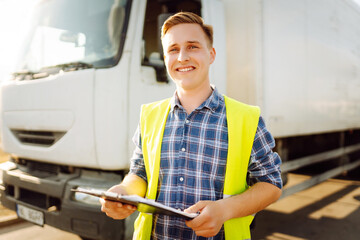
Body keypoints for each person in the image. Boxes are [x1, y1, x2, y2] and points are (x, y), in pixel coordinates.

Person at [100, 12, 282, 240]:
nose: (182, 57)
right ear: (165, 58)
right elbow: (140, 173)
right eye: (173, 49)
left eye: (193, 47)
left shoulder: (246, 118)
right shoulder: (149, 116)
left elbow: (271, 183)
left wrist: (225, 210)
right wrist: (123, 193)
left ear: (211, 54)